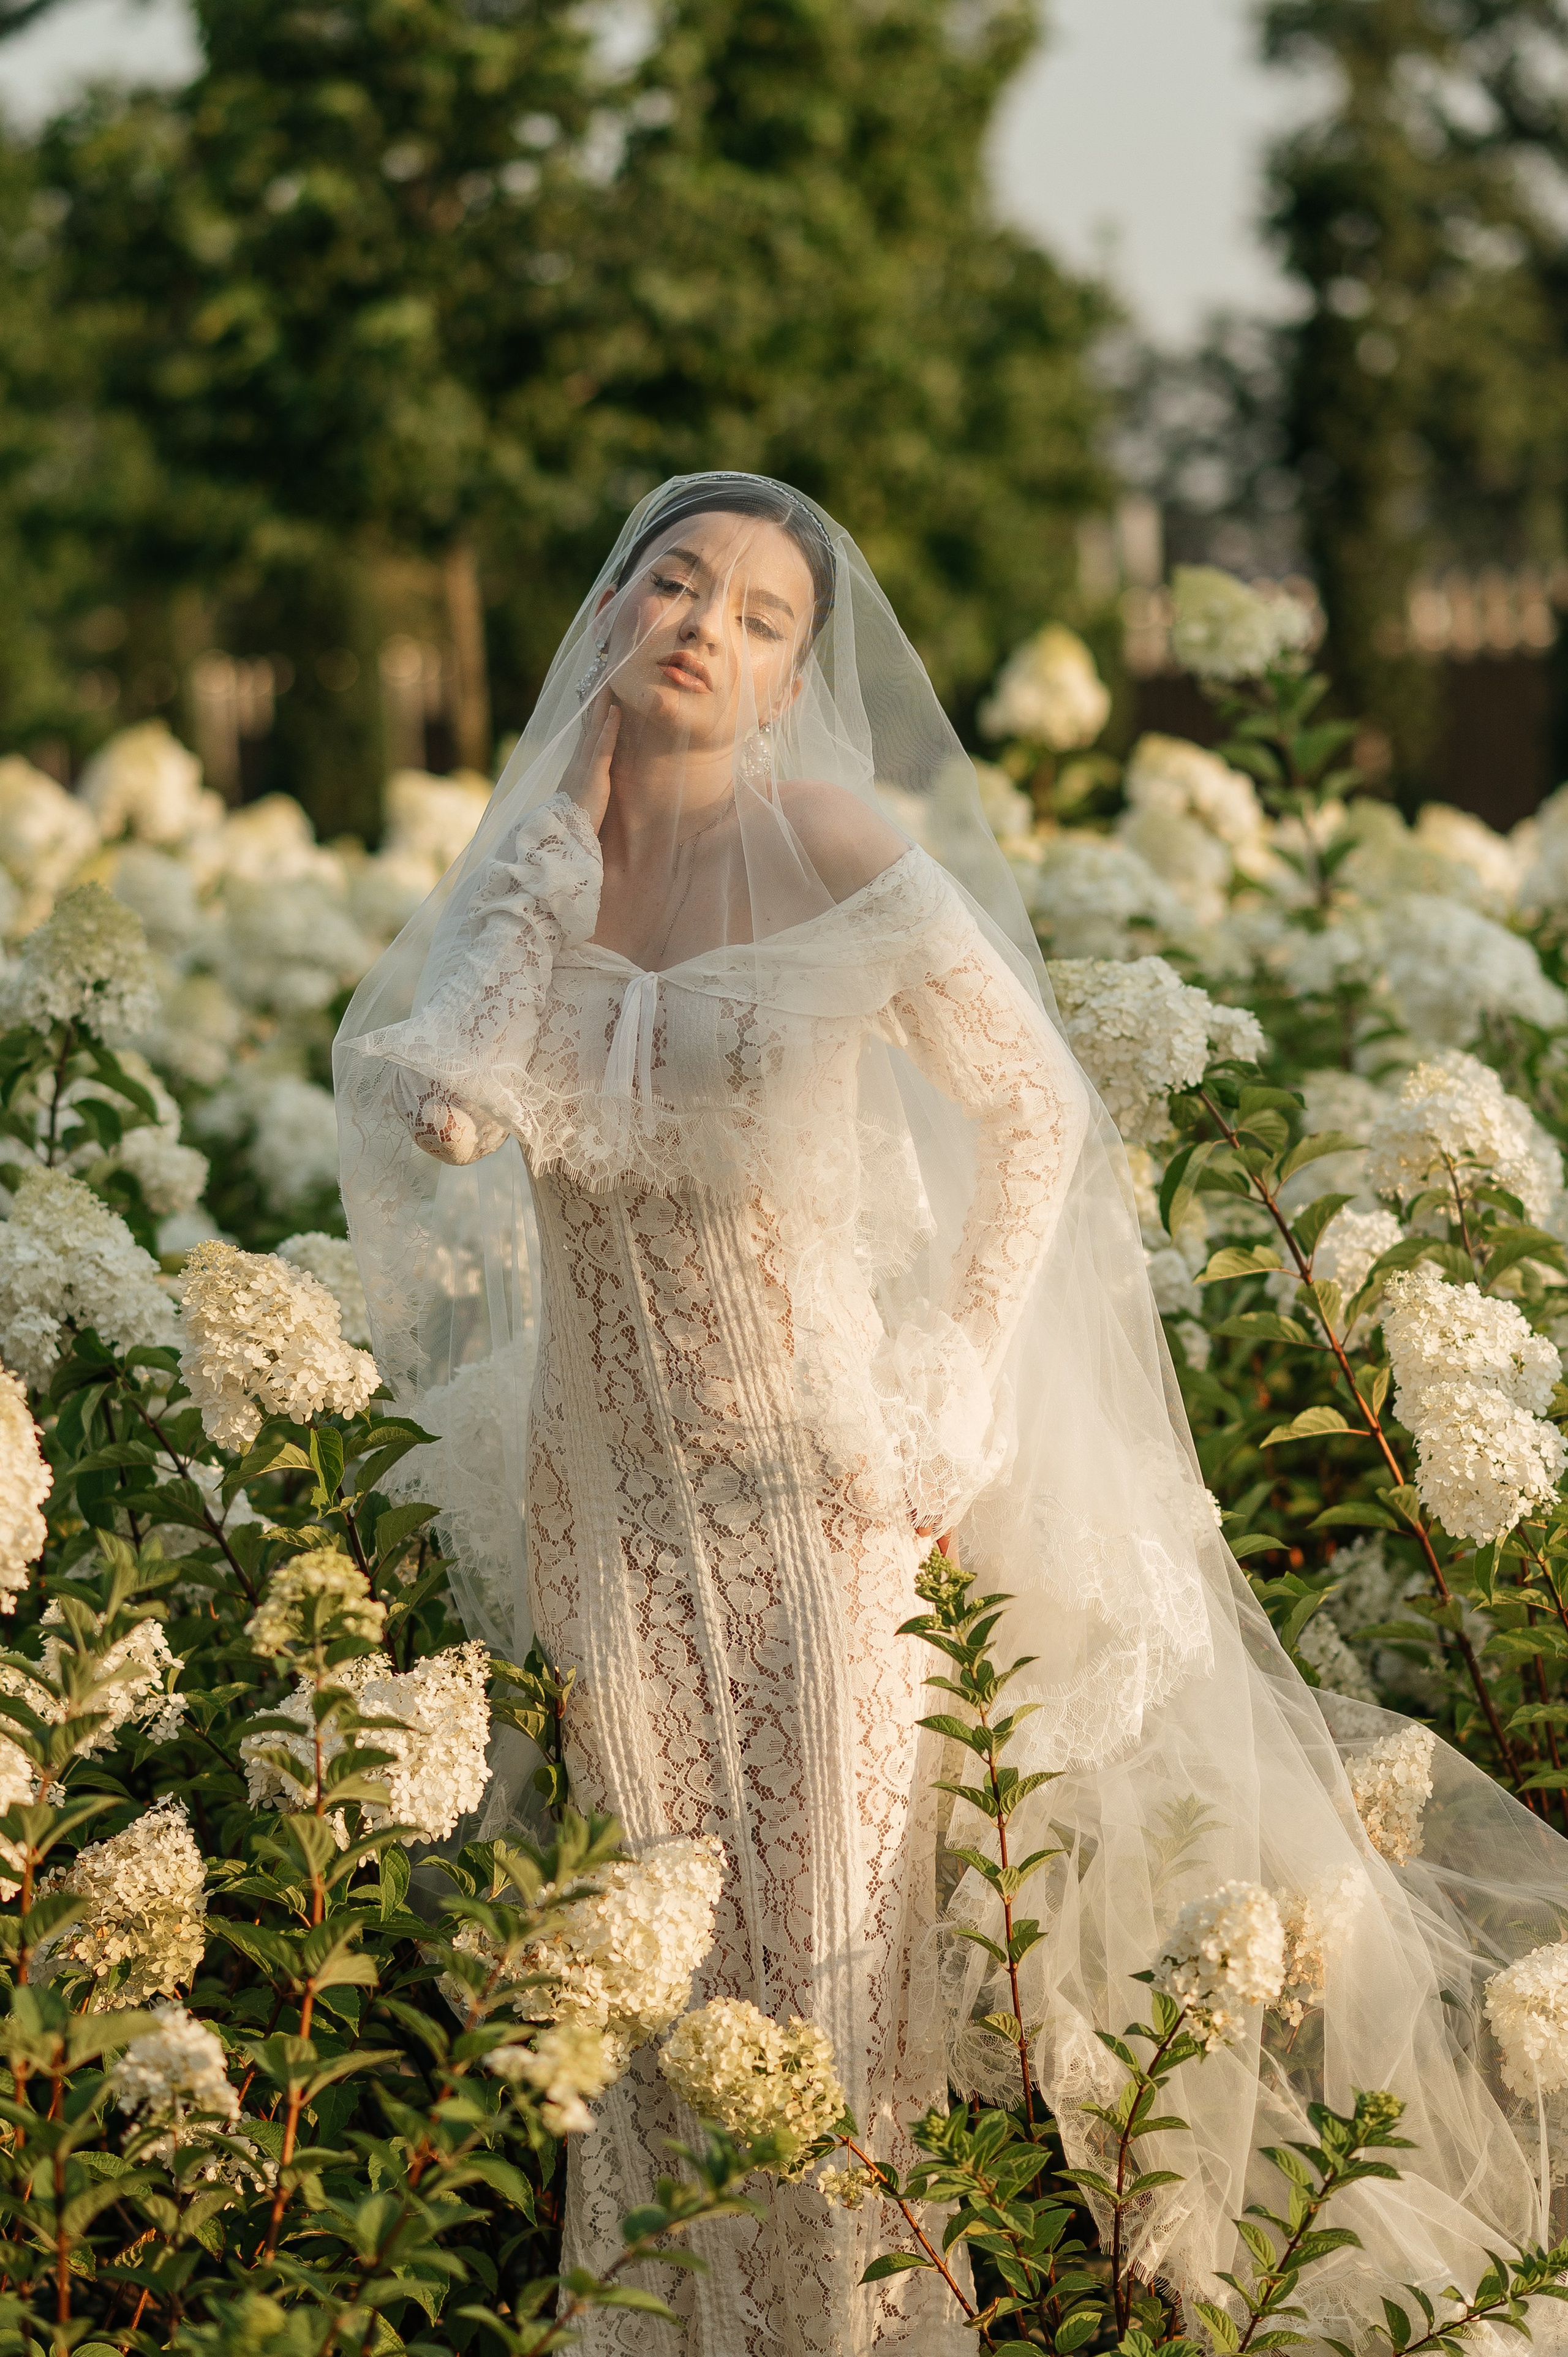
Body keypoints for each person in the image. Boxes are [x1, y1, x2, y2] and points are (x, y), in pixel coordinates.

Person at [336, 475, 1568, 2355]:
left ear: (790, 684)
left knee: (827, 2006)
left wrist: (956, 1378)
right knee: (655, 2004)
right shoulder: (536, 875)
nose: (705, 626)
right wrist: (542, 858)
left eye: (761, 619)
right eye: (674, 585)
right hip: (615, 1522)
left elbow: (1041, 1108)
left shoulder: (828, 835)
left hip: (828, 1503)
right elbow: (447, 1106)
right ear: (608, 616)